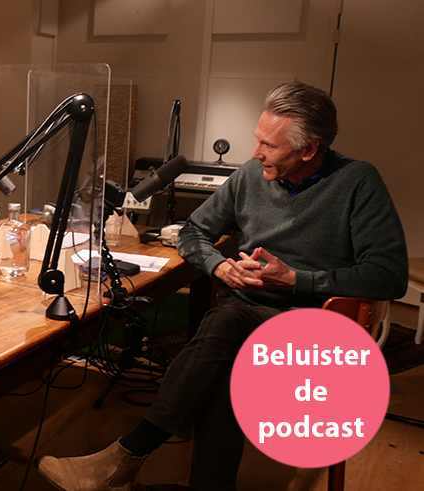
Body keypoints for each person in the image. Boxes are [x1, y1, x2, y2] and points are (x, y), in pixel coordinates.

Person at [35, 82, 409, 491]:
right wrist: (219, 267)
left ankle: (125, 457)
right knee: (229, 355)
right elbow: (193, 231)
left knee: (225, 325)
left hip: (315, 326)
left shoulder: (357, 182)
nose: (256, 152)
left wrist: (296, 280)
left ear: (309, 149)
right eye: (257, 139)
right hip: (247, 315)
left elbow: (388, 275)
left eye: (269, 145)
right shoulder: (251, 175)